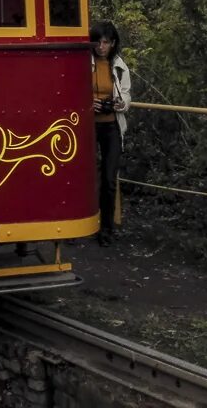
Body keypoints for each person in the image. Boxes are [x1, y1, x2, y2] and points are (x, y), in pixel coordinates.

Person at [91, 19, 131, 246]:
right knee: (84, 176)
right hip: (89, 125)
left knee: (108, 179)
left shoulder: (119, 66)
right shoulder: (84, 63)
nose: (101, 47)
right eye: (97, 42)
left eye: (105, 42)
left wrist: (119, 104)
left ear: (113, 43)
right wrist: (90, 102)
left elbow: (126, 96)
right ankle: (83, 222)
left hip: (111, 126)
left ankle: (106, 228)